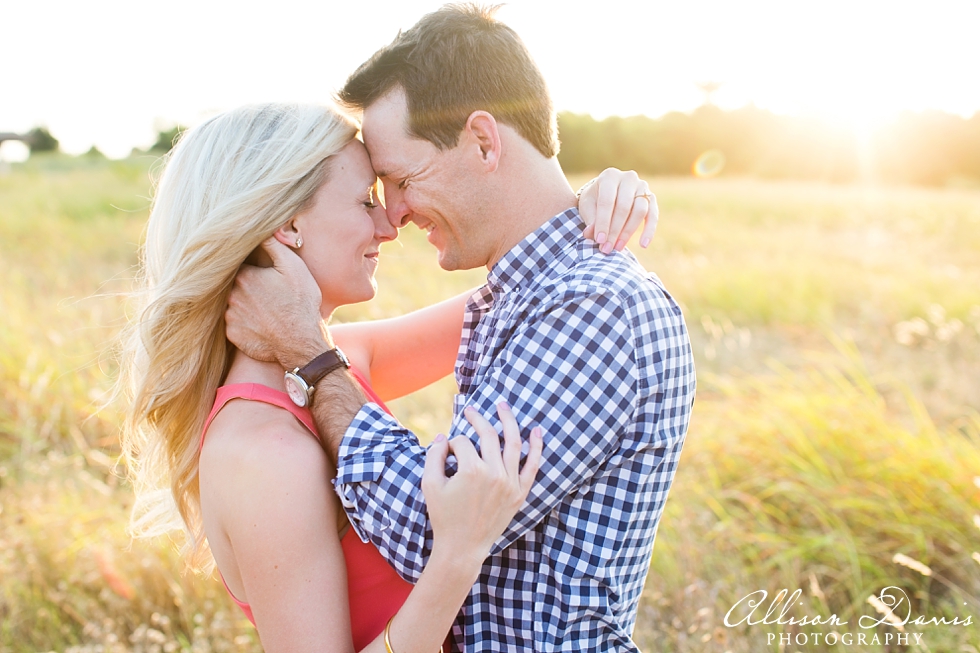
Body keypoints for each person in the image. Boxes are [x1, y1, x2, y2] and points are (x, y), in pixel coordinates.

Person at [224, 5, 697, 652]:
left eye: (400, 179)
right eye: (373, 193)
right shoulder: (518, 294)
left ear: (483, 140)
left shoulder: (593, 307)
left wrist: (311, 355)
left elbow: (433, 531)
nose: (394, 216)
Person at [117, 100, 652, 652]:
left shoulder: (335, 360)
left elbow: (531, 289)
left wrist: (584, 208)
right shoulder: (265, 454)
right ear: (288, 224)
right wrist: (456, 556)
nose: (388, 225)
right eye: (364, 201)